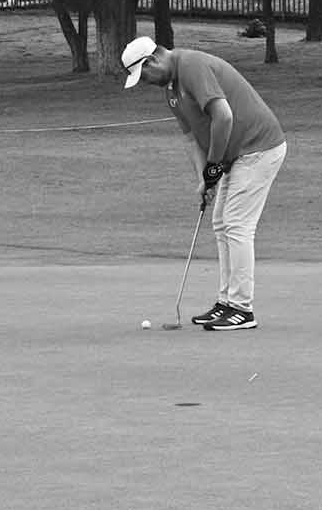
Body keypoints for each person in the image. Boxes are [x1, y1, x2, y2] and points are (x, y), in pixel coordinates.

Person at [122, 35, 288, 332]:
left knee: (237, 225)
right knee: (222, 223)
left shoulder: (192, 65)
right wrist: (204, 177)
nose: (145, 81)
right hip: (235, 155)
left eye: (144, 74)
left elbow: (223, 117)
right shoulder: (171, 89)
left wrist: (214, 166)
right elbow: (190, 139)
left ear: (152, 60)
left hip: (258, 147)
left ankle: (242, 309)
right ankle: (226, 303)